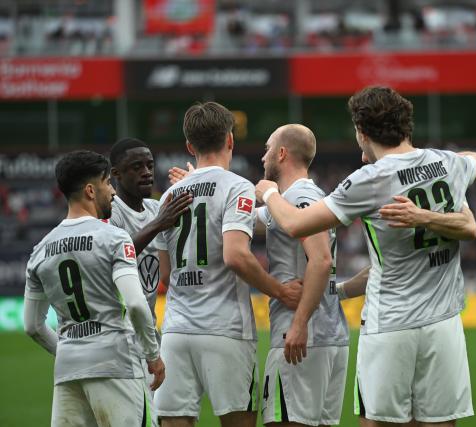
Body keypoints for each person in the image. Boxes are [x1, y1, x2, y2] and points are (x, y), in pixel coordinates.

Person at [256, 86, 476, 427]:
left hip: (391, 324)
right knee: (441, 421)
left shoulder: (369, 180)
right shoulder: (447, 163)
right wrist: (445, 170)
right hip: (444, 323)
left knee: (377, 422)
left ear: (362, 132)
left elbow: (295, 224)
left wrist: (269, 194)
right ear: (406, 126)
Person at [154, 102, 302, 427]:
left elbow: (166, 273)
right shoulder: (237, 187)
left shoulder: (169, 196)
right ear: (230, 140)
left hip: (177, 329)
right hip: (225, 328)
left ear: (190, 146)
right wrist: (279, 292)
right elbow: (235, 256)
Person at [23, 150, 164, 427]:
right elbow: (136, 304)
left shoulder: (40, 250)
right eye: (107, 183)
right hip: (116, 363)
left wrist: (68, 350)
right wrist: (153, 355)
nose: (112, 191)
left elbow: (32, 325)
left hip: (67, 371)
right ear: (90, 190)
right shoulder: (113, 238)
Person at [258, 124, 350, 427]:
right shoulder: (299, 198)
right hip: (328, 335)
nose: (263, 157)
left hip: (301, 337)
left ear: (282, 154)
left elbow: (321, 260)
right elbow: (246, 215)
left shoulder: (300, 196)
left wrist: (298, 324)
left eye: (268, 148)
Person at [108, 137, 192, 407]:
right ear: (116, 174)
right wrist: (158, 225)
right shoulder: (111, 211)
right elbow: (110, 257)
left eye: (149, 165)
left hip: (146, 335)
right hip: (116, 336)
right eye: (136, 167)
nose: (146, 171)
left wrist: (193, 185)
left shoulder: (157, 209)